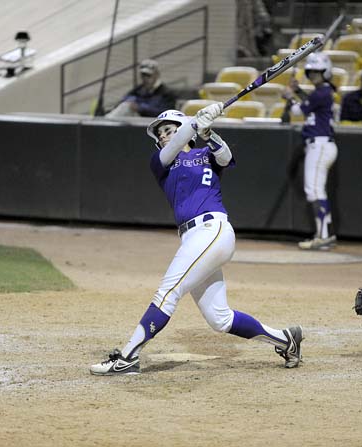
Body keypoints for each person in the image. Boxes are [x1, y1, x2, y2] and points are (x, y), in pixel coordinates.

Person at [90, 105, 304, 375]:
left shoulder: (206, 153)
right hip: (193, 238)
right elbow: (177, 143)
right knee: (220, 319)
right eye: (161, 133)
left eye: (169, 130)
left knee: (168, 293)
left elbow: (225, 157)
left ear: (184, 131)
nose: (164, 136)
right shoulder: (161, 162)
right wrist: (194, 122)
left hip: (211, 229)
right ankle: (286, 339)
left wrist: (208, 130)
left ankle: (127, 357)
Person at [281, 52, 338, 250]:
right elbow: (311, 105)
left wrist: (290, 97)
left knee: (314, 190)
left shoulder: (321, 92)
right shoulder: (321, 92)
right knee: (316, 190)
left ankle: (322, 236)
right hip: (320, 144)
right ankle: (324, 235)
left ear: (325, 72)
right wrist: (297, 92)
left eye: (317, 71)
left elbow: (299, 112)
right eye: (311, 71)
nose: (313, 74)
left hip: (320, 145)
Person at [105, 59, 177, 118]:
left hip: (153, 123)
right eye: (143, 75)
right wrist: (132, 104)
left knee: (126, 108)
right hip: (137, 121)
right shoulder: (139, 90)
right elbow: (125, 99)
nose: (145, 78)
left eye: (148, 75)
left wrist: (140, 108)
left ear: (157, 75)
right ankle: (105, 122)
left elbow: (167, 113)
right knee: (125, 106)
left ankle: (105, 123)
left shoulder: (166, 93)